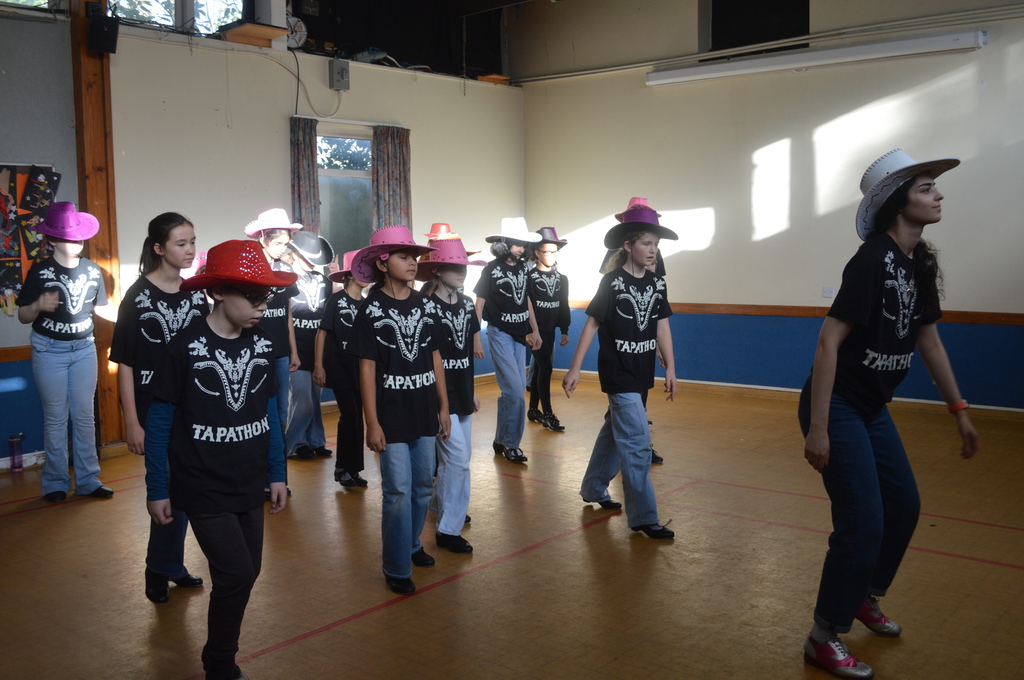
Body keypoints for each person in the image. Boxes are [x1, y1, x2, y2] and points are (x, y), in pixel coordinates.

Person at [798, 149, 979, 679]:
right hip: (838, 406)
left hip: (871, 408)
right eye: (925, 187)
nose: (938, 194)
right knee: (862, 521)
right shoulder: (873, 259)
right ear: (899, 201)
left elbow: (930, 343)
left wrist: (959, 410)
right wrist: (819, 427)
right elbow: (828, 343)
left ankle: (863, 595)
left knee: (903, 506)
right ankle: (822, 636)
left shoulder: (919, 263)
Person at [143, 239, 294, 680]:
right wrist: (157, 487)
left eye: (266, 296)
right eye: (252, 296)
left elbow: (270, 413)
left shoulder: (263, 343)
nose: (262, 305)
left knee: (249, 572)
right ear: (217, 292)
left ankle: (218, 656)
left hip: (249, 479)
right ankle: (221, 662)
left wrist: (277, 473)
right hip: (200, 483)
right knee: (236, 574)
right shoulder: (183, 347)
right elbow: (159, 424)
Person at [562, 198, 677, 539]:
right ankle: (643, 517)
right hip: (618, 373)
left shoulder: (657, 284)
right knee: (638, 444)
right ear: (628, 246)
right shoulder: (612, 282)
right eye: (646, 244)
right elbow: (592, 324)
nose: (653, 251)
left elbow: (662, 326)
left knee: (614, 434)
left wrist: (671, 366)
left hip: (642, 373)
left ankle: (593, 488)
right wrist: (575, 368)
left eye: (656, 245)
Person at [347, 225, 450, 595]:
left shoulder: (425, 304)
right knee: (398, 491)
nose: (412, 263)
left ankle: (410, 544)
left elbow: (435, 357)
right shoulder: (370, 309)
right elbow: (366, 369)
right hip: (390, 414)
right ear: (383, 262)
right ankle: (395, 565)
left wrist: (444, 406)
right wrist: (371, 423)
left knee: (422, 487)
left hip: (423, 410)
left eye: (415, 257)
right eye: (404, 257)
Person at [110, 212, 207, 603]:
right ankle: (159, 567)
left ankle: (168, 563)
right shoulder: (137, 296)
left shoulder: (195, 294)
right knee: (164, 487)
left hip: (191, 409)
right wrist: (132, 422)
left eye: (193, 242)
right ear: (159, 248)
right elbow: (125, 364)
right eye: (181, 243)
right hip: (153, 409)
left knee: (185, 487)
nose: (190, 250)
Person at [16, 202, 116, 502]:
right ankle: (56, 483)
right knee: (56, 418)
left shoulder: (93, 270)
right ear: (52, 240)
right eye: (70, 237)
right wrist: (38, 305)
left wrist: (130, 316)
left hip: (83, 349)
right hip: (49, 351)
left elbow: (101, 308)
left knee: (85, 417)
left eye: (80, 236)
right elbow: (23, 315)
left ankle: (88, 481)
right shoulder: (40, 270)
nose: (77, 242)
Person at [417, 236, 485, 553]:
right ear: (436, 270)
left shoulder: (468, 304)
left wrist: (470, 391)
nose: (461, 272)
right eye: (454, 267)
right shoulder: (425, 307)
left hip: (462, 392)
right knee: (457, 460)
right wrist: (438, 403)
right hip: (437, 396)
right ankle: (448, 530)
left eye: (464, 266)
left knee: (455, 460)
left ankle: (441, 504)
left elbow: (465, 352)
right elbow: (428, 358)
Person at [473, 217, 542, 464]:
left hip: (520, 336)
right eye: (516, 244)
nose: (521, 248)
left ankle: (501, 440)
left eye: (523, 244)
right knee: (514, 391)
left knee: (513, 392)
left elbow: (527, 299)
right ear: (504, 243)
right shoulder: (491, 269)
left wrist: (535, 330)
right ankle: (512, 445)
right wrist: (476, 338)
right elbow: (479, 303)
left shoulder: (524, 269)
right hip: (499, 333)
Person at [243, 209, 302, 467]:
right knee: (256, 409)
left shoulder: (285, 268)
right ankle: (257, 468)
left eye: (285, 244)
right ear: (263, 239)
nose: (282, 249)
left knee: (280, 411)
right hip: (253, 351)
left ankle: (277, 471)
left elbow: (288, 313)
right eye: (278, 243)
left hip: (280, 353)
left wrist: (293, 351)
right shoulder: (248, 268)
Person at [315, 250, 371, 487]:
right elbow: (322, 333)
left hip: (360, 370)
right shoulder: (336, 300)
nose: (365, 275)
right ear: (349, 275)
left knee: (358, 418)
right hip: (339, 368)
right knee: (350, 416)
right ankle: (343, 468)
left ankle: (352, 469)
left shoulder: (367, 304)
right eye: (361, 271)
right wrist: (318, 365)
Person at [284, 230, 335, 459]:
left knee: (314, 398)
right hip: (296, 349)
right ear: (295, 254)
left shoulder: (322, 280)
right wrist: (292, 352)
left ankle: (315, 441)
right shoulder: (287, 279)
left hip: (317, 349)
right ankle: (293, 444)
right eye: (307, 258)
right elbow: (287, 318)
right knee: (302, 401)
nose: (311, 263)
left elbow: (328, 312)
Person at [526, 227, 571, 432]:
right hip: (535, 332)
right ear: (537, 252)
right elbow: (525, 307)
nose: (552, 256)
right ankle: (548, 413)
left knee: (539, 368)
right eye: (547, 252)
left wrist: (564, 329)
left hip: (551, 330)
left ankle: (533, 409)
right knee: (546, 368)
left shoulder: (562, 279)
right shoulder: (529, 278)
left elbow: (563, 305)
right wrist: (529, 331)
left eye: (555, 252)